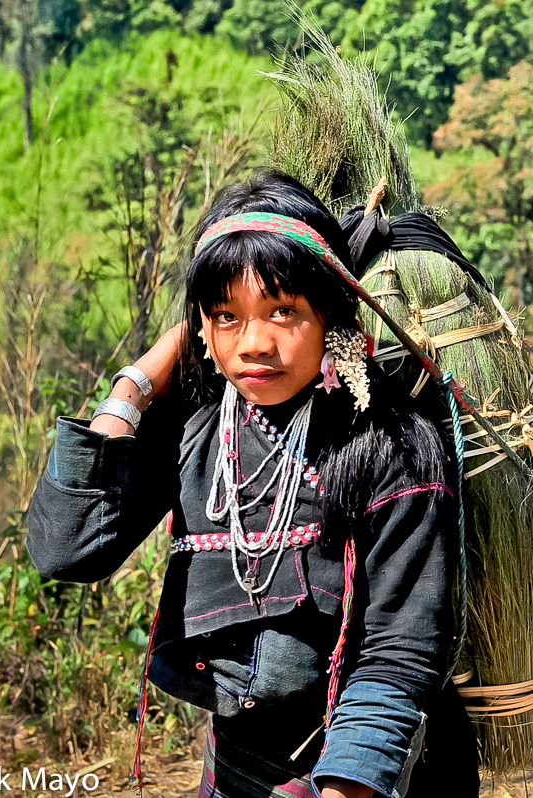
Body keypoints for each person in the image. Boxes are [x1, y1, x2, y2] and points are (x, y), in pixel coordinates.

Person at [26, 170, 479, 798]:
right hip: (240, 771)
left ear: (332, 313)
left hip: (374, 778)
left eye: (283, 311)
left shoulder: (393, 445)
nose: (255, 344)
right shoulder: (197, 427)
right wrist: (135, 386)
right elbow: (67, 550)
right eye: (226, 316)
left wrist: (344, 790)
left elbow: (399, 652)